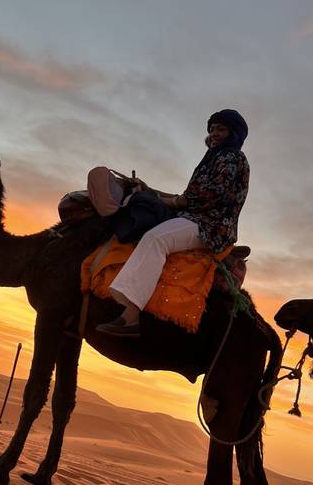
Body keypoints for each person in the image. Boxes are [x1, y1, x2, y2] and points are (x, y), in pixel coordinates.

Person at [94, 109, 250, 337]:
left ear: (234, 133)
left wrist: (166, 201)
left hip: (211, 226)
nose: (215, 133)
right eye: (212, 129)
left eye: (221, 129)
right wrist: (151, 192)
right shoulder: (215, 158)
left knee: (156, 239)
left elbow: (204, 197)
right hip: (195, 218)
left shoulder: (232, 158)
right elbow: (188, 197)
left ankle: (131, 316)